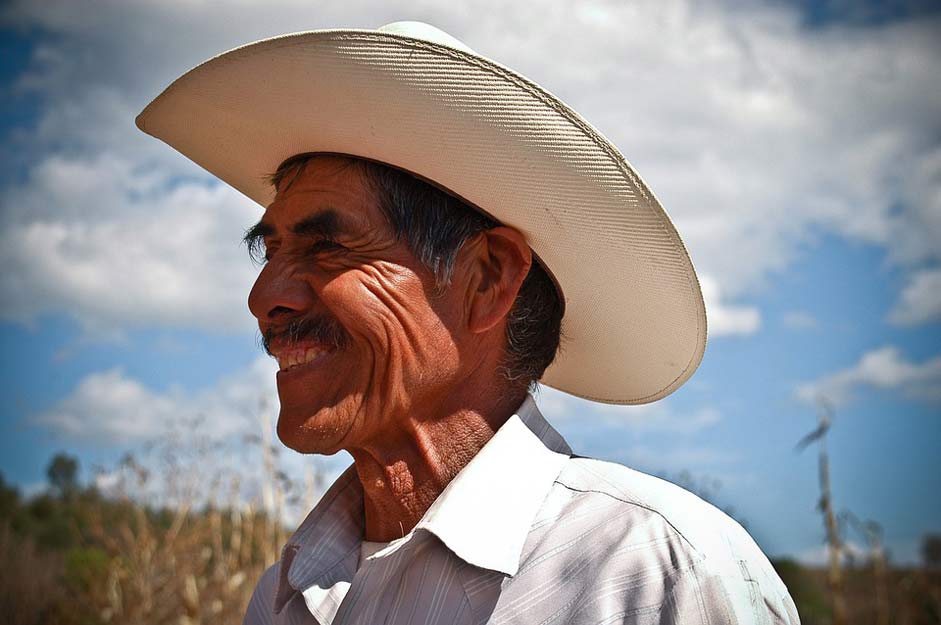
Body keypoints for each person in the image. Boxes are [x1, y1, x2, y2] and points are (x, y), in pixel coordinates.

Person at [137, 21, 800, 625]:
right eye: (270, 249)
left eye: (326, 247)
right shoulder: (286, 597)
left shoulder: (652, 575)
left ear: (485, 279)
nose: (265, 296)